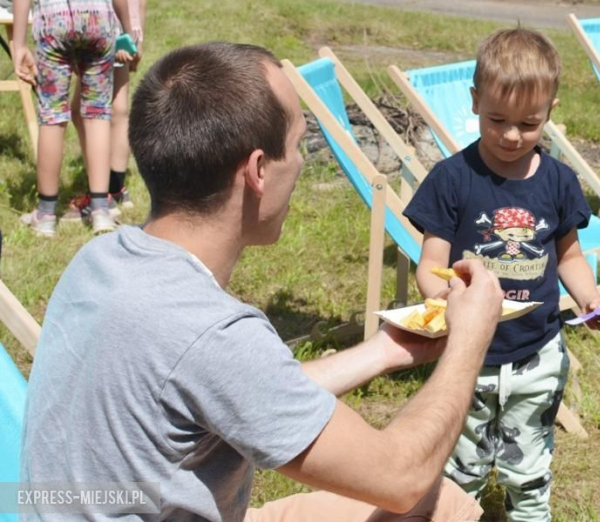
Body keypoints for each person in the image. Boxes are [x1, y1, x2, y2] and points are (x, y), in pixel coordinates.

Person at [20, 41, 505, 521]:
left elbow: (235, 385)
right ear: (256, 170)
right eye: (296, 147)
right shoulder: (211, 332)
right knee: (442, 506)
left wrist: (384, 352)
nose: (297, 165)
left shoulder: (102, 258)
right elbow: (400, 478)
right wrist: (470, 338)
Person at [403, 27, 600, 521]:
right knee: (462, 465)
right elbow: (429, 267)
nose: (512, 135)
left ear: (550, 112)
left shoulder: (558, 181)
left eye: (528, 123)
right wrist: (447, 295)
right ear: (475, 101)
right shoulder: (453, 179)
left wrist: (588, 298)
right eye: (497, 119)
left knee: (529, 466)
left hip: (537, 352)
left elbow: (569, 258)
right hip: (469, 353)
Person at [12, 0, 132, 237]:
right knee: (97, 113)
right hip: (99, 18)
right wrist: (127, 30)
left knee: (52, 116)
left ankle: (46, 214)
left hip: (53, 19)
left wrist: (19, 43)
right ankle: (100, 209)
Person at [64, 0, 146, 224]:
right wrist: (136, 38)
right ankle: (116, 188)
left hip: (103, 25)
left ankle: (102, 194)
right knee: (118, 109)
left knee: (84, 112)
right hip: (123, 28)